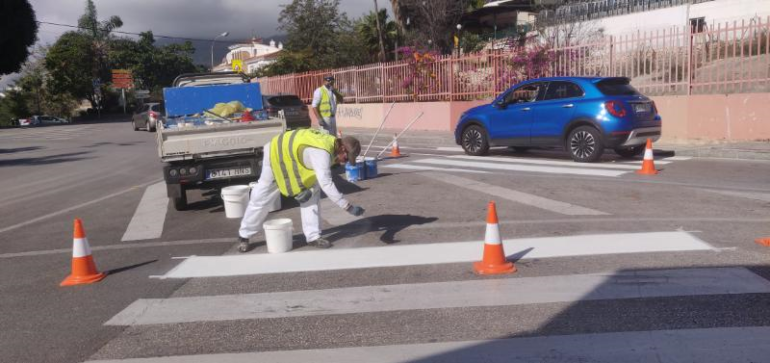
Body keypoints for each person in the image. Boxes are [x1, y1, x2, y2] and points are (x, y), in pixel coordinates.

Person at [237, 128, 365, 252]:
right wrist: (347, 206)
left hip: (291, 157)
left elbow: (315, 173)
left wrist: (303, 188)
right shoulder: (322, 152)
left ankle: (313, 236)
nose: (345, 162)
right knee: (262, 196)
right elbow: (326, 183)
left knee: (312, 194)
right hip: (275, 152)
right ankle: (244, 235)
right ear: (342, 148)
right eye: (346, 158)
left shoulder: (331, 144)